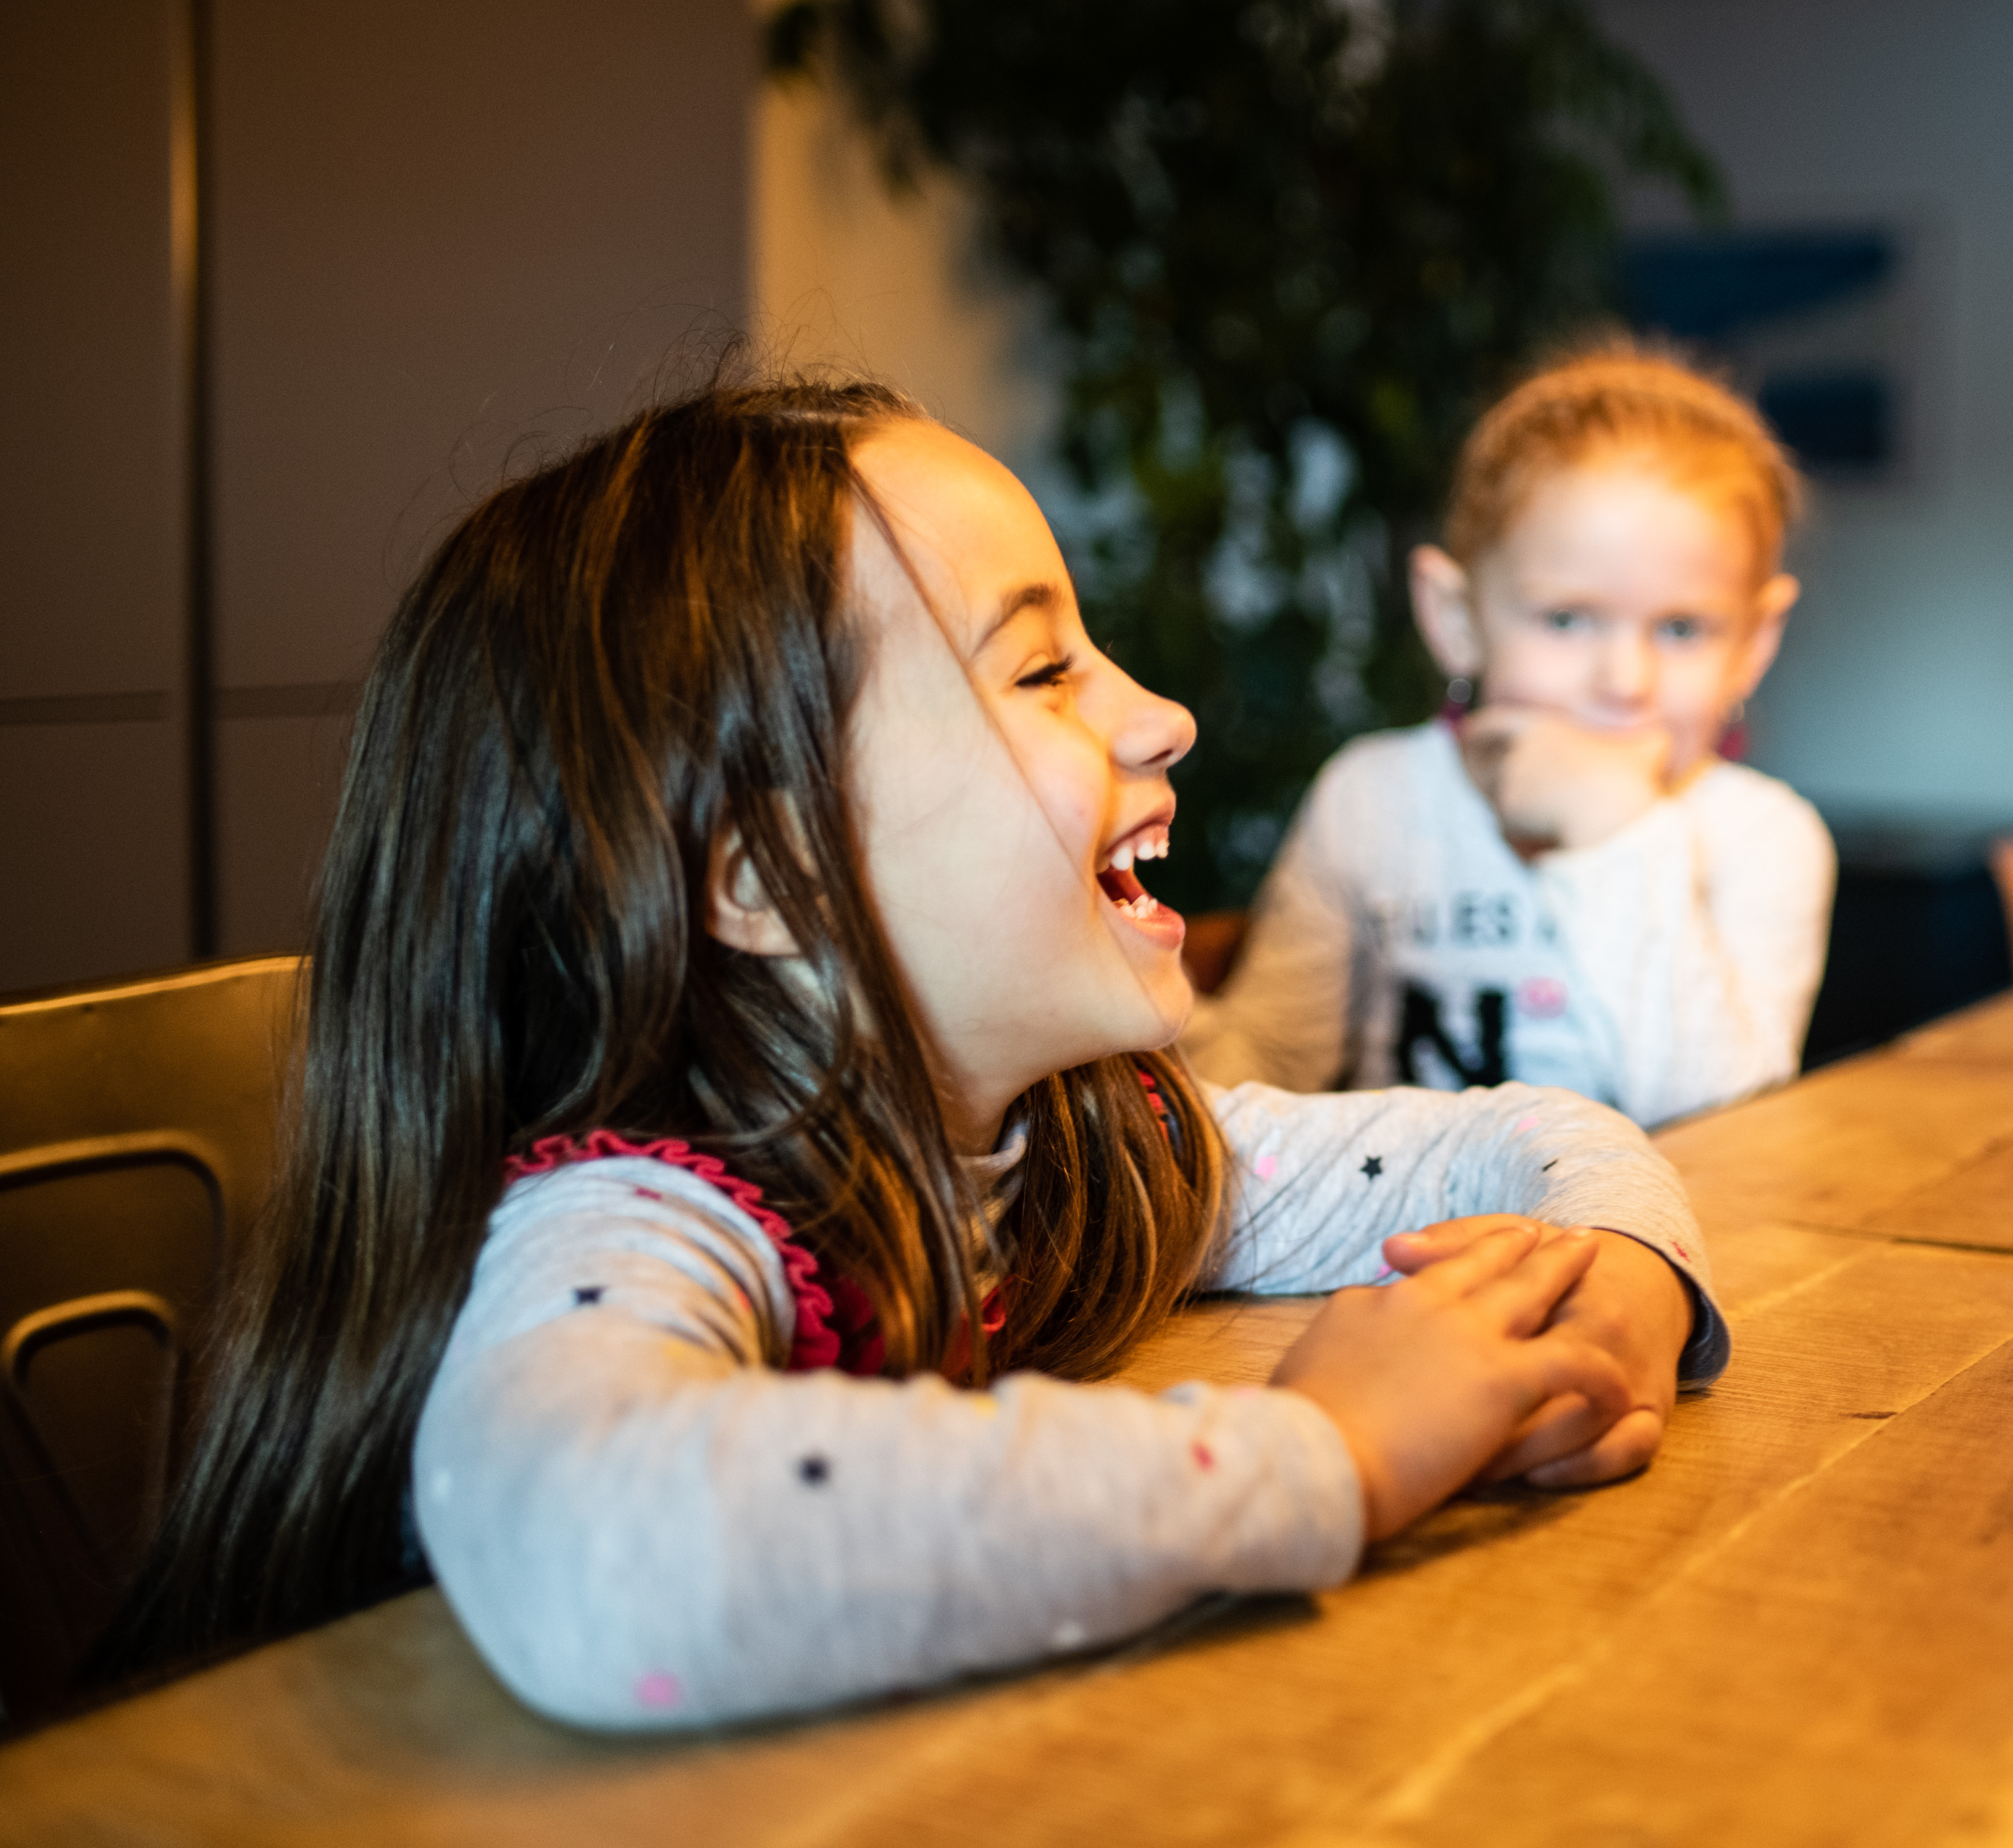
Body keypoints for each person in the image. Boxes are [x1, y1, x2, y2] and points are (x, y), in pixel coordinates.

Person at [94, 378, 1724, 1730]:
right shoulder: (649, 1220)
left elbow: (1521, 1138)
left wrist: (1629, 1284)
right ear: (756, 868)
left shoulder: (1075, 1150)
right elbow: (614, 1543)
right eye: (1042, 668)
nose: (1161, 713)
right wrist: (1328, 1456)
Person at [1182, 337, 1835, 1129]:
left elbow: (1733, 1132)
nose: (1625, 681)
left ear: (1754, 645)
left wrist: (1614, 829)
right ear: (1457, 619)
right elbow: (1266, 1070)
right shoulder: (1374, 798)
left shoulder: (1765, 838)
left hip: (1640, 1249)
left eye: (1683, 630)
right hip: (1403, 1242)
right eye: (1565, 619)